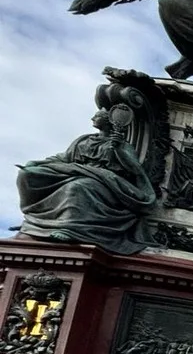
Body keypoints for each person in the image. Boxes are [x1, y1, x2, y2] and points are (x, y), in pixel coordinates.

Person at [16, 106, 157, 256]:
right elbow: (64, 158)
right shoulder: (83, 140)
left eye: (97, 116)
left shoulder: (122, 145)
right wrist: (37, 163)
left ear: (108, 121)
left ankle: (68, 228)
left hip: (104, 180)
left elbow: (134, 169)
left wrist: (118, 150)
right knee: (26, 175)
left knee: (77, 188)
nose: (93, 118)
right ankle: (35, 220)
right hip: (75, 171)